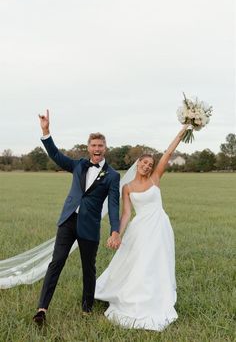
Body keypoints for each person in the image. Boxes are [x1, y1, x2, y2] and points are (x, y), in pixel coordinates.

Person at [95, 124, 189, 331]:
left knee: (158, 262)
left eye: (150, 164)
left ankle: (156, 296)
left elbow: (168, 153)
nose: (147, 166)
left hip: (160, 227)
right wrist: (116, 233)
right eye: (144, 162)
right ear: (138, 163)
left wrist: (182, 131)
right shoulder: (127, 187)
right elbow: (127, 213)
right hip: (140, 228)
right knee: (137, 262)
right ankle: (133, 296)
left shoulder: (155, 179)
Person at [33, 110, 121, 326]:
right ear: (88, 147)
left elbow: (113, 204)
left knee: (88, 268)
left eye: (100, 145)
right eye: (94, 145)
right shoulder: (79, 165)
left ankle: (87, 308)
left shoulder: (112, 176)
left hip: (89, 226)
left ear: (105, 148)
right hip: (68, 221)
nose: (97, 149)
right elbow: (56, 155)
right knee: (56, 263)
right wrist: (46, 132)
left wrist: (115, 230)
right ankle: (41, 309)